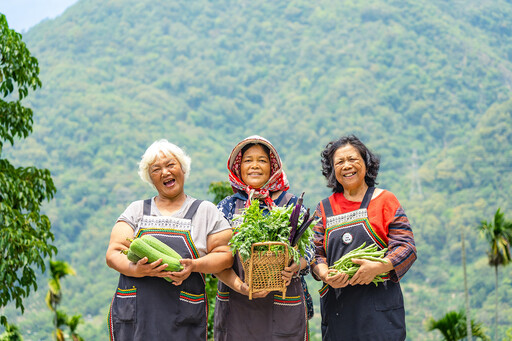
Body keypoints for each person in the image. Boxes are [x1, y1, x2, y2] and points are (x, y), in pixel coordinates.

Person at [106, 139, 233, 340]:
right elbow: (114, 252)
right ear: (150, 178)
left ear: (183, 169)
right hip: (137, 318)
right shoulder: (136, 210)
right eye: (156, 169)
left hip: (182, 319)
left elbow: (225, 256)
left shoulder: (205, 211)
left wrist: (194, 265)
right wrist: (135, 270)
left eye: (171, 165)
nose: (165, 172)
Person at [311, 135, 417, 341]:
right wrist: (325, 275)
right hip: (338, 313)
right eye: (339, 162)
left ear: (366, 164)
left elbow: (406, 247)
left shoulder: (385, 200)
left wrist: (378, 267)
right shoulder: (324, 208)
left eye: (353, 159)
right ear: (332, 170)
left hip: (380, 315)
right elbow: (314, 253)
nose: (347, 166)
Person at [213, 135, 314, 341]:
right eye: (248, 160)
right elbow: (215, 258)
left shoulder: (291, 204)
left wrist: (295, 266)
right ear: (239, 167)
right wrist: (240, 286)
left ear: (273, 166)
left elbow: (311, 249)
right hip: (236, 302)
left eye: (262, 160)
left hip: (283, 303)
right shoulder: (227, 207)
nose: (255, 166)